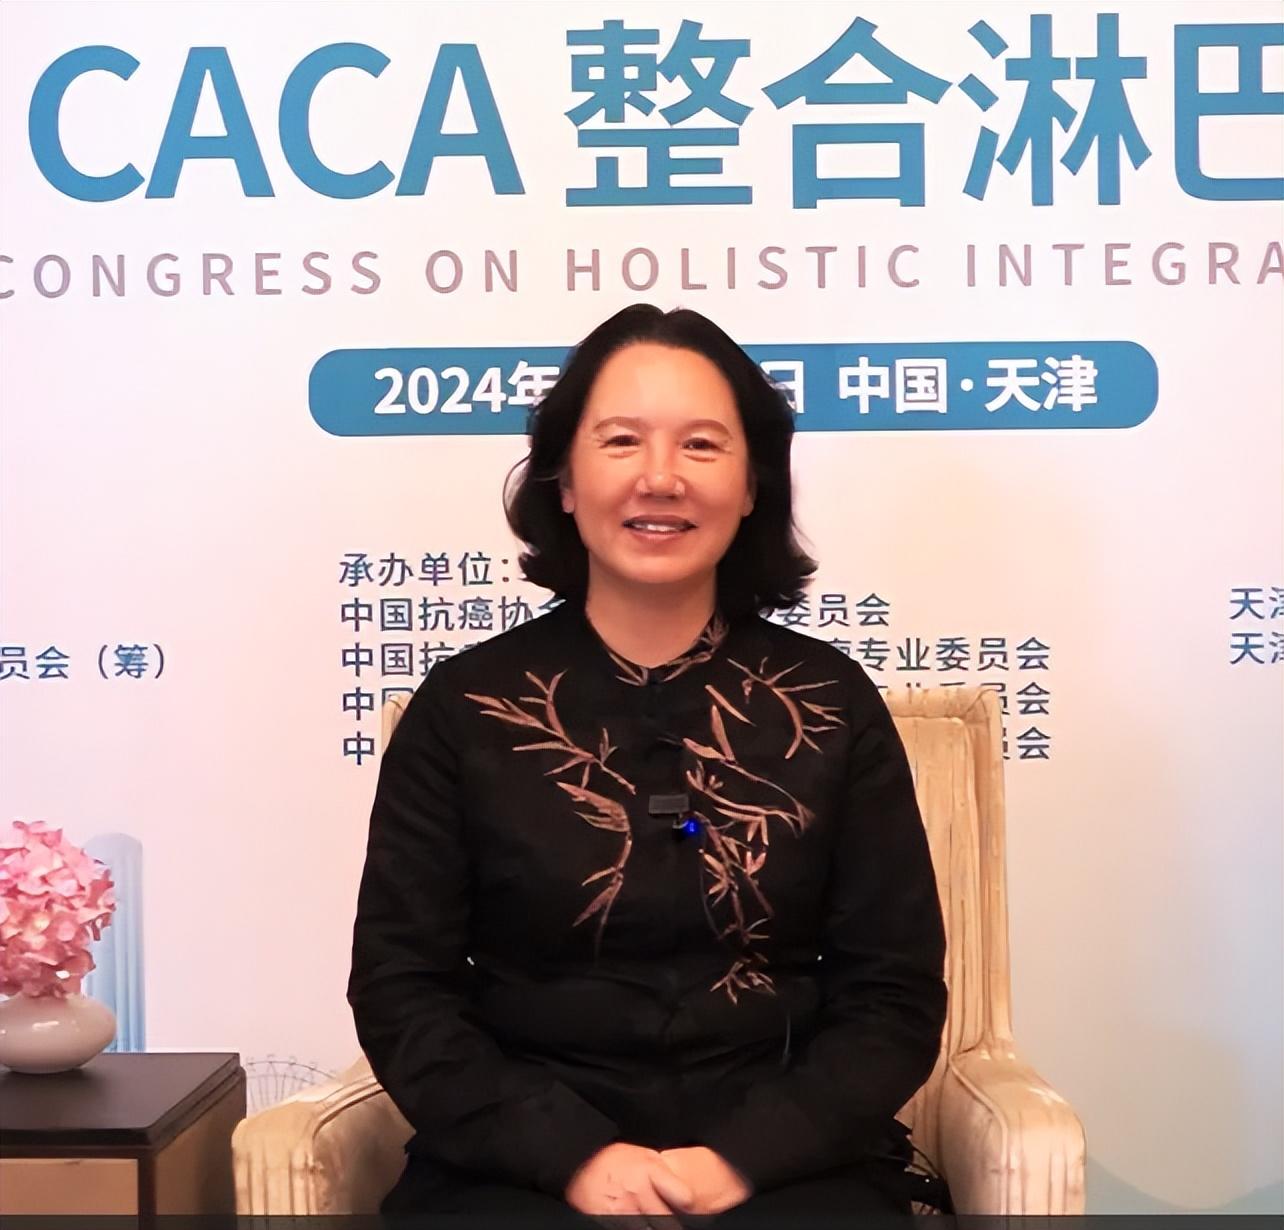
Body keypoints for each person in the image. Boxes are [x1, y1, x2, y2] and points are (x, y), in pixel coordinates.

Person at [347, 304, 948, 1227]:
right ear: (563, 480)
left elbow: (892, 992)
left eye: (701, 445)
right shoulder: (465, 708)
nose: (660, 478)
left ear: (752, 485)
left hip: (787, 1166)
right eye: (622, 440)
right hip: (520, 1166)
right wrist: (570, 1157)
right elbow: (402, 986)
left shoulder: (830, 703)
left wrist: (742, 1159)